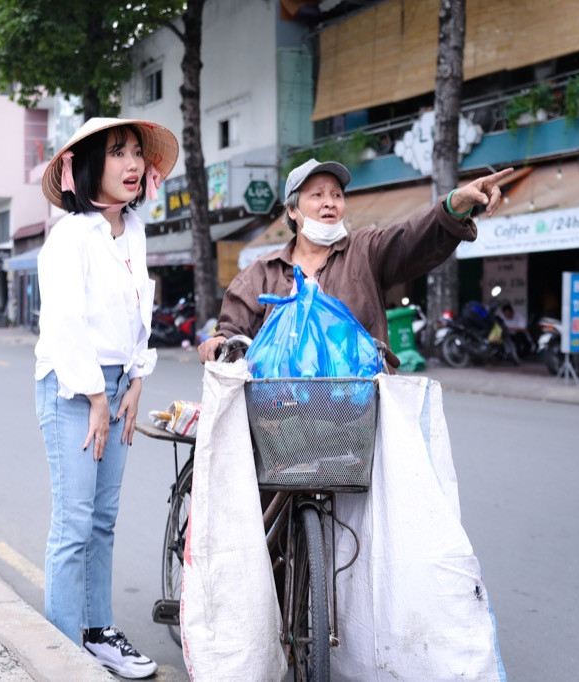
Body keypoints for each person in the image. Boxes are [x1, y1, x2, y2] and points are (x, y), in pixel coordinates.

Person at [34, 117, 178, 678]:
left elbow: (139, 312)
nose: (133, 164)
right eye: (119, 152)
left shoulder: (134, 230)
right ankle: (61, 653)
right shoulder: (70, 236)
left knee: (103, 520)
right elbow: (65, 323)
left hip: (118, 386)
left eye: (138, 153)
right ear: (91, 165)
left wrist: (137, 380)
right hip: (74, 387)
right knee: (73, 523)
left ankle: (98, 633)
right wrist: (97, 396)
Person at [198, 158, 514, 363]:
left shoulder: (365, 250)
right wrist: (219, 341)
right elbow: (232, 330)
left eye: (336, 195)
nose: (330, 203)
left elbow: (411, 237)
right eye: (317, 195)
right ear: (292, 210)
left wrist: (455, 204)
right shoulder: (261, 274)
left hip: (357, 416)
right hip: (280, 419)